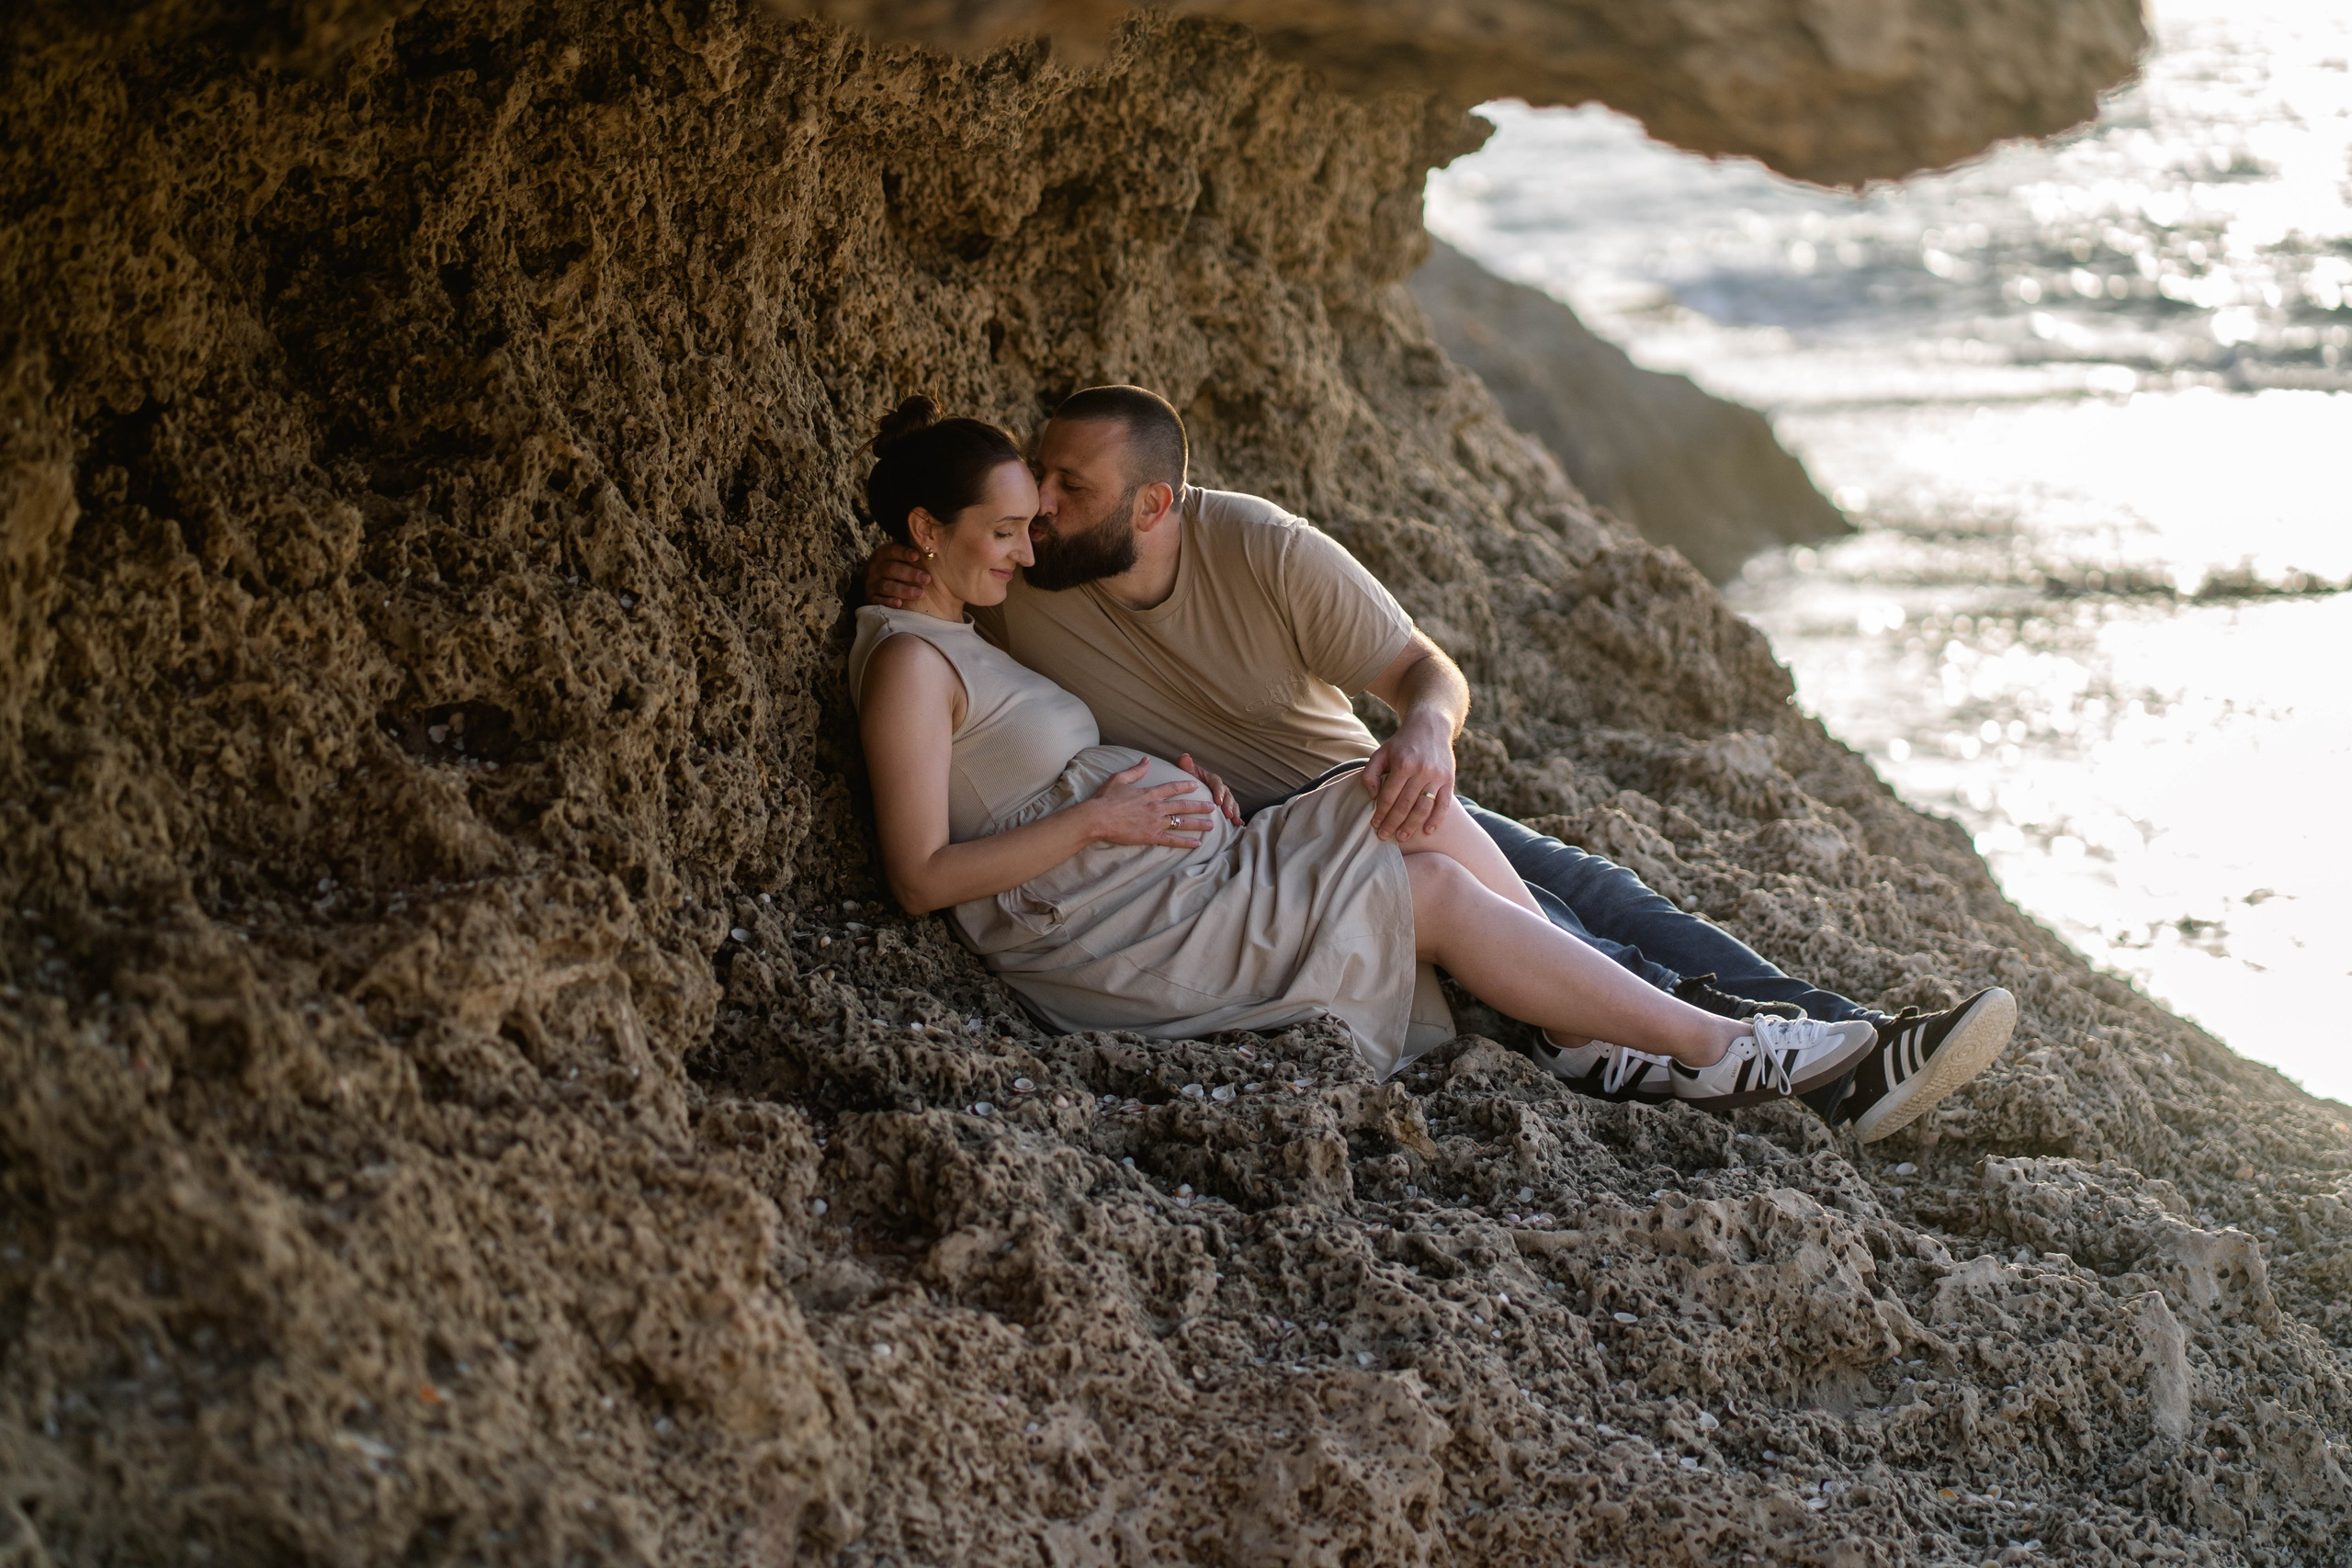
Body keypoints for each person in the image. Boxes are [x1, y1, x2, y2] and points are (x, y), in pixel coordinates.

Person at [863, 386, 2016, 1144]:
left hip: (1354, 791)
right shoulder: (1020, 592)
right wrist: (901, 576)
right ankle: (1783, 1062)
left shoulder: (1256, 546)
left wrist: (1423, 734)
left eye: (1068, 495)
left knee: (1604, 898)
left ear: (1154, 505)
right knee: (1567, 919)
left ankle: (1832, 1038)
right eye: (1032, 496)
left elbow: (1425, 671)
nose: (1042, 516)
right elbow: (955, 659)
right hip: (1231, 859)